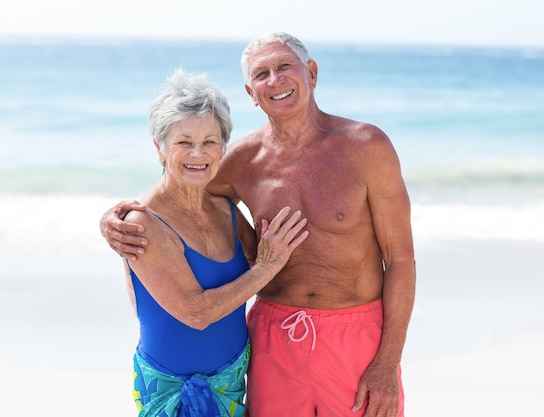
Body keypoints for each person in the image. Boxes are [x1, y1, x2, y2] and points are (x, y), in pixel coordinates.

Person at [102, 33, 415, 417]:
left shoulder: (367, 146)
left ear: (311, 73)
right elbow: (179, 195)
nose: (275, 80)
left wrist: (387, 363)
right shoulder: (239, 162)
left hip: (355, 332)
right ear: (251, 92)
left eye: (284, 66)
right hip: (272, 336)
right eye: (262, 74)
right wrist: (119, 218)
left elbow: (400, 260)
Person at [117, 68, 308, 417]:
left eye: (209, 142)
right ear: (159, 147)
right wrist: (266, 268)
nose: (197, 154)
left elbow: (275, 267)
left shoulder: (227, 211)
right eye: (183, 142)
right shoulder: (141, 223)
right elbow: (197, 313)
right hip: (170, 390)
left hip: (234, 381)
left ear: (223, 147)